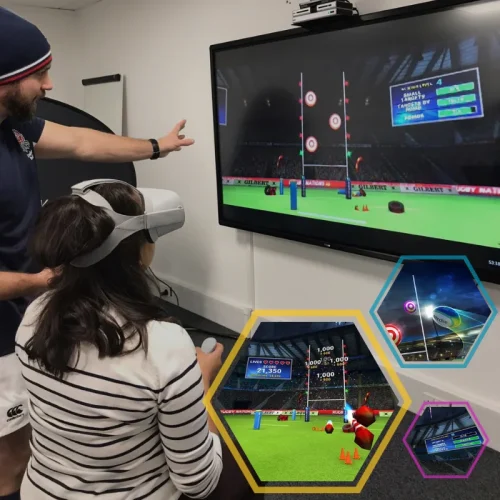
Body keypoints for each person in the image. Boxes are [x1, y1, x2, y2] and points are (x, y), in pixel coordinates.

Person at [0, 7, 195, 499]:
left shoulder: (15, 127)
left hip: (31, 311)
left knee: (45, 433)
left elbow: (84, 143)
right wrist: (39, 282)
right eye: (38, 75)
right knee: (10, 456)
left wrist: (155, 146)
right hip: (3, 328)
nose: (49, 84)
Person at [15, 181, 224, 499]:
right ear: (139, 252)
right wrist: (202, 384)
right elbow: (198, 483)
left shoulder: (34, 317)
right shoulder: (163, 346)